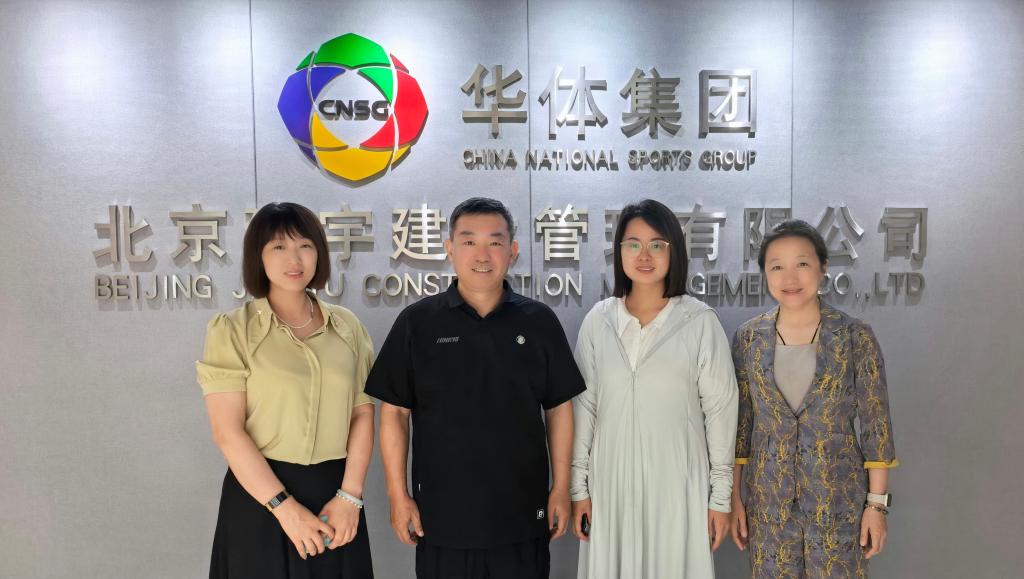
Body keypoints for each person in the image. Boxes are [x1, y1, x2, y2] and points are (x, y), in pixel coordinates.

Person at [365, 197, 585, 579]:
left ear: (512, 251)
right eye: (469, 241)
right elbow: (395, 413)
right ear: (450, 248)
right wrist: (397, 495)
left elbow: (558, 409)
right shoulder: (418, 322)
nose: (482, 255)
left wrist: (560, 488)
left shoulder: (539, 322)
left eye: (495, 242)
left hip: (522, 517)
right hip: (442, 521)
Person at [196, 202, 375, 578]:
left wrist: (350, 497)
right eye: (278, 246)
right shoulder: (233, 330)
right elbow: (227, 432)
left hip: (335, 501)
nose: (294, 259)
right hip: (260, 497)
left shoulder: (347, 327)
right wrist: (284, 508)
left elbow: (362, 413)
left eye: (305, 246)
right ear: (258, 256)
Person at [570, 199, 739, 578]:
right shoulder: (599, 322)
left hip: (678, 483)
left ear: (673, 251)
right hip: (610, 484)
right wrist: (578, 489)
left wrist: (720, 496)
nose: (644, 255)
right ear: (619, 252)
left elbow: (721, 410)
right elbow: (584, 408)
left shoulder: (698, 321)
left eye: (656, 244)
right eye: (633, 244)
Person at [729, 219, 899, 578]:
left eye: (802, 263)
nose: (790, 277)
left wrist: (876, 505)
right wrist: (733, 499)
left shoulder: (854, 336)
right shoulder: (748, 339)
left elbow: (876, 427)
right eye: (777, 266)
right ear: (765, 273)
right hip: (769, 506)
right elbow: (741, 427)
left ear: (823, 268)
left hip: (839, 504)